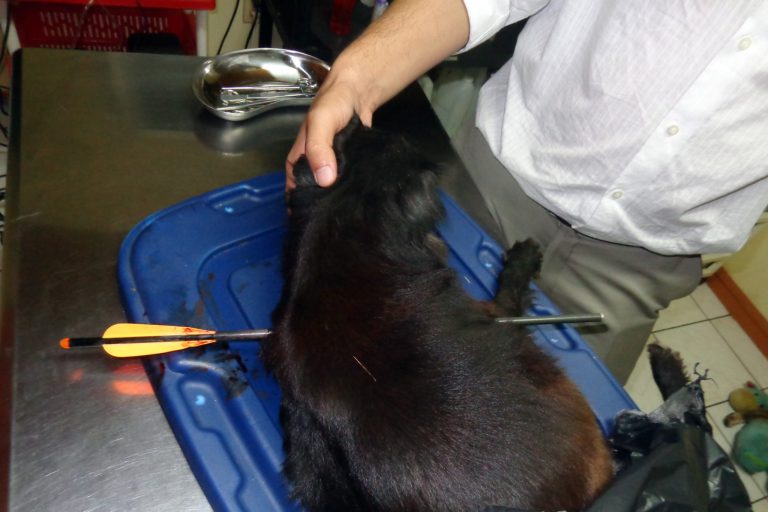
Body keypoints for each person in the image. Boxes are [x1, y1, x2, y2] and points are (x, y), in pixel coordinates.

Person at [285, 0, 768, 384]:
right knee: (377, 367)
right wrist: (354, 79)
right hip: (485, 187)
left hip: (639, 266)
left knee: (553, 447)